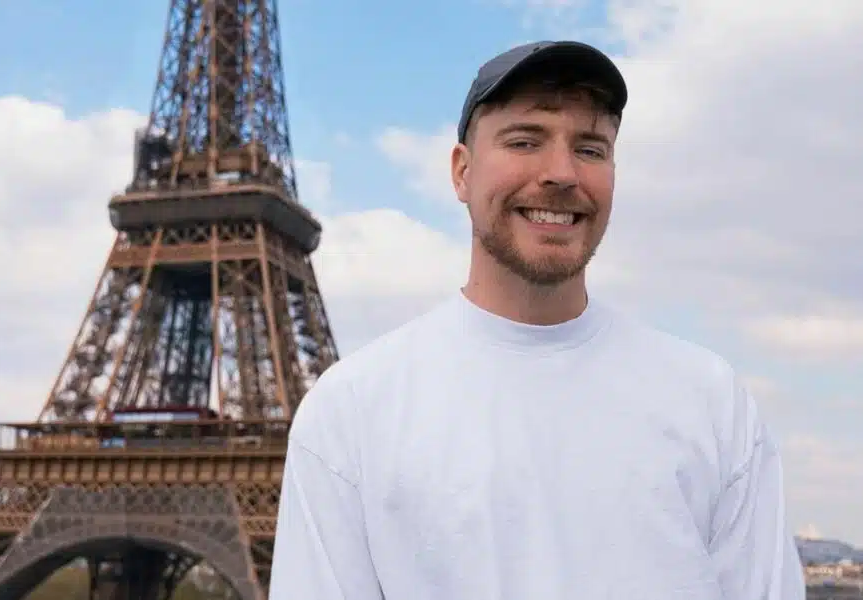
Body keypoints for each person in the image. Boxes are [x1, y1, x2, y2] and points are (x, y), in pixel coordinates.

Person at [268, 41, 805, 600]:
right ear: (461, 172)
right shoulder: (349, 413)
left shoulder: (716, 403)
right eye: (525, 141)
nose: (561, 173)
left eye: (590, 148)